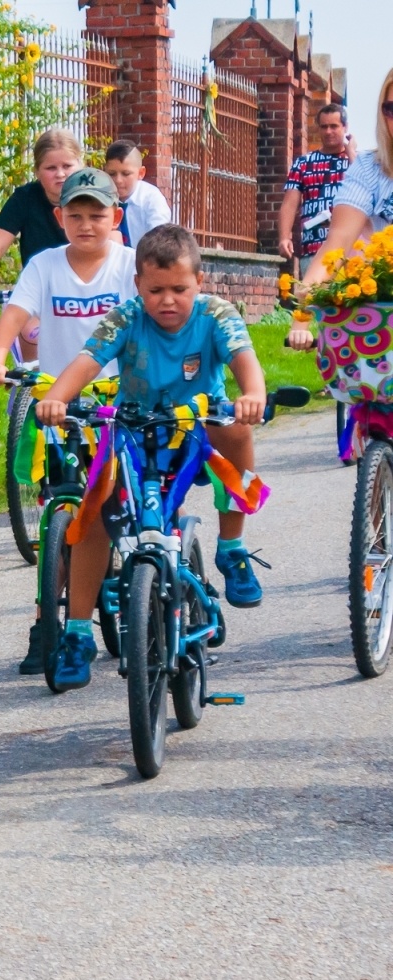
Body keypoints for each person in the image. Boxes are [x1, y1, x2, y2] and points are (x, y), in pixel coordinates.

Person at [35, 225, 269, 691]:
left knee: (237, 429)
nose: (167, 300)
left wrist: (253, 395)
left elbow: (244, 360)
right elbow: (87, 361)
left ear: (199, 282)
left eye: (179, 289)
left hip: (198, 427)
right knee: (96, 514)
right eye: (155, 290)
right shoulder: (126, 318)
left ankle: (232, 548)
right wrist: (56, 399)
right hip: (134, 429)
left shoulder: (216, 314)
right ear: (137, 284)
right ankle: (78, 633)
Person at [0, 168, 136, 676]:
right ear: (58, 217)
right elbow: (15, 314)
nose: (86, 224)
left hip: (119, 403)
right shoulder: (44, 265)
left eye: (97, 215)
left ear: (116, 217)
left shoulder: (131, 265)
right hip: (60, 408)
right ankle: (46, 622)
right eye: (76, 215)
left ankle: (147, 591)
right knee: (62, 513)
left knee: (127, 503)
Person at [290, 69, 393, 352]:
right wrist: (301, 320)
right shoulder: (369, 170)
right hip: (382, 310)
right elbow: (336, 244)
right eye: (391, 109)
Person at [0, 128, 87, 309]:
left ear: (80, 165)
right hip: (39, 292)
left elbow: (112, 243)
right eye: (51, 168)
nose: (60, 174)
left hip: (87, 292)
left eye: (67, 166)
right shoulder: (25, 198)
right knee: (22, 325)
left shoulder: (96, 199)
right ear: (37, 171)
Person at [280, 104, 356, 274]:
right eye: (324, 127)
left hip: (349, 250)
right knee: (314, 291)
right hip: (314, 247)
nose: (328, 132)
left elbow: (368, 188)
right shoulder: (303, 163)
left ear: (345, 127)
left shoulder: (357, 162)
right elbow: (290, 204)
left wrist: (351, 152)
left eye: (334, 126)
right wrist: (284, 237)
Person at [102, 140, 172, 248]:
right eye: (112, 174)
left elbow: (158, 239)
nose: (118, 180)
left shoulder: (152, 199)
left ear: (141, 173)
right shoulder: (100, 197)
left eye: (126, 174)